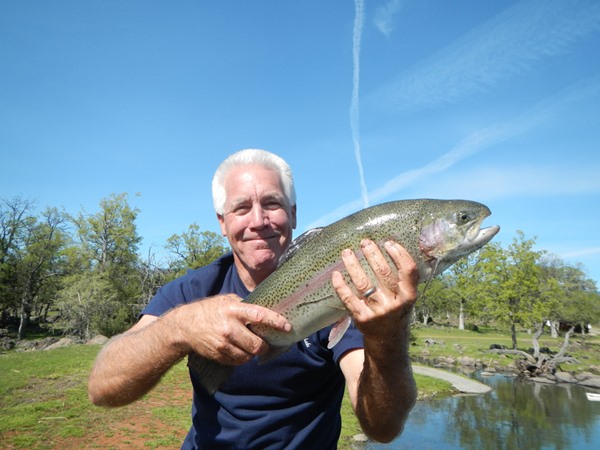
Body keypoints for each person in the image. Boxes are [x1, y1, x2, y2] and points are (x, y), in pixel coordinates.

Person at [88, 149, 419, 449]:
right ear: (222, 222)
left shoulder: (346, 287)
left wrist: (387, 337)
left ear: (293, 213)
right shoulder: (194, 291)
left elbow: (383, 428)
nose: (258, 221)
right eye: (241, 207)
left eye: (272, 204)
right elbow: (102, 388)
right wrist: (177, 328)